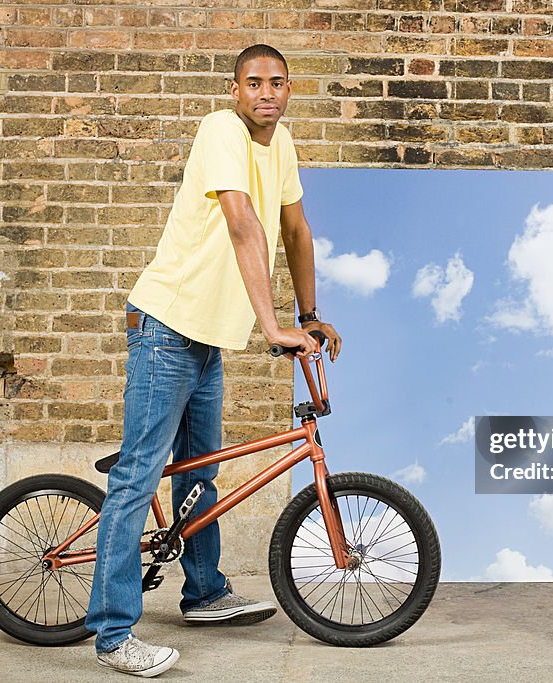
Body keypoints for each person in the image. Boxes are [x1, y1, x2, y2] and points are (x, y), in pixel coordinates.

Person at [86, 44, 342, 678]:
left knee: (198, 472)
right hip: (167, 327)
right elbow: (242, 224)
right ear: (235, 90)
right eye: (253, 83)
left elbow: (295, 229)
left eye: (277, 83)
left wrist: (308, 315)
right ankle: (115, 635)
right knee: (138, 477)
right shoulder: (220, 130)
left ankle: (203, 594)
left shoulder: (280, 147)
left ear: (290, 90)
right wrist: (273, 325)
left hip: (207, 339)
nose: (266, 93)